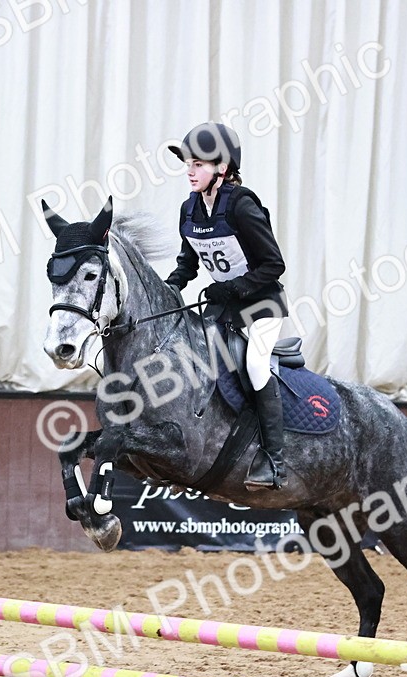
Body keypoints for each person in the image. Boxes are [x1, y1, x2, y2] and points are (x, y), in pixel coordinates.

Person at [164, 122, 290, 491]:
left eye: (198, 164)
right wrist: (171, 284)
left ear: (222, 167)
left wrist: (232, 288)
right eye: (187, 163)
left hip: (262, 305)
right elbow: (188, 262)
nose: (189, 171)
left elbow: (273, 265)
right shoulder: (189, 208)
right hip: (224, 306)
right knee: (189, 358)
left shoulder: (242, 205)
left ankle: (274, 460)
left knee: (254, 364)